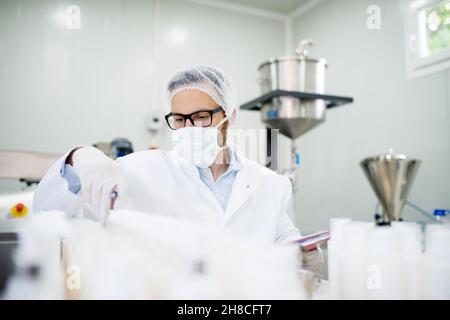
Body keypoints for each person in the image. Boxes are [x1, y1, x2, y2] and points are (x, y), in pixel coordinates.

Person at [33, 65, 301, 245]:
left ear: (230, 116)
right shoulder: (138, 171)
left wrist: (302, 256)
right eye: (180, 119)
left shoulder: (270, 184)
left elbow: (286, 242)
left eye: (200, 117)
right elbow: (47, 213)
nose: (188, 128)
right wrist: (78, 158)